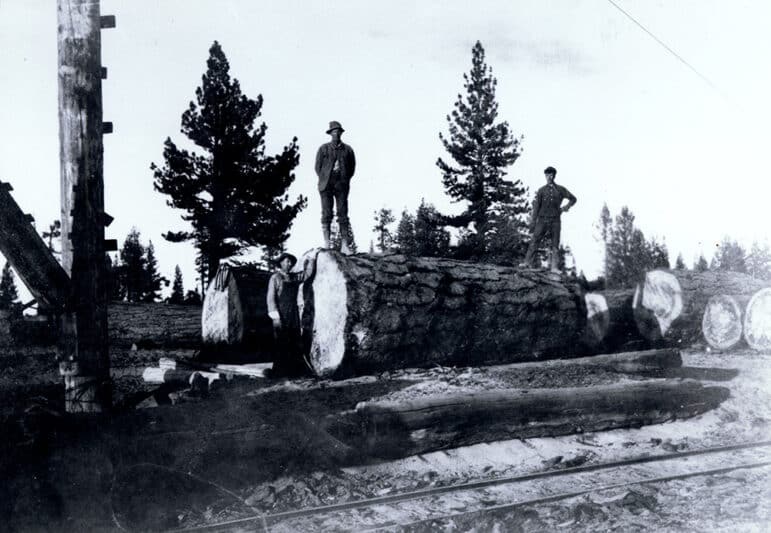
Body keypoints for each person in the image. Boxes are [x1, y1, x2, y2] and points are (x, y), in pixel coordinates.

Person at [522, 166, 577, 272]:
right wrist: (533, 222)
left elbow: (573, 199)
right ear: (545, 176)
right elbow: (536, 207)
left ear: (554, 176)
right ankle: (527, 263)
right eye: (547, 175)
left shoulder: (560, 189)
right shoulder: (541, 190)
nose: (549, 177)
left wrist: (565, 208)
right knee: (535, 240)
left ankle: (554, 268)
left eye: (551, 175)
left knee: (555, 244)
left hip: (555, 221)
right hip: (542, 220)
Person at [315, 121, 356, 253]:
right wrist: (325, 177)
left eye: (338, 131)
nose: (336, 134)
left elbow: (352, 168)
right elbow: (317, 167)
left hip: (341, 183)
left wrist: (344, 178)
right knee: (327, 212)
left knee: (343, 212)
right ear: (330, 133)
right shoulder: (323, 149)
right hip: (326, 183)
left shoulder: (348, 149)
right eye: (333, 132)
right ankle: (327, 243)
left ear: (341, 133)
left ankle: (345, 245)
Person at [266, 252, 309, 377]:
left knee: (295, 340)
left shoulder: (293, 277)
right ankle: (281, 372)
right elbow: (271, 298)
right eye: (286, 261)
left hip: (293, 313)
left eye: (290, 262)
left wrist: (310, 261)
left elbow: (306, 276)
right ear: (281, 263)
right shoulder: (275, 278)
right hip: (280, 314)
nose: (289, 264)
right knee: (281, 341)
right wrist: (275, 317)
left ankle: (294, 371)